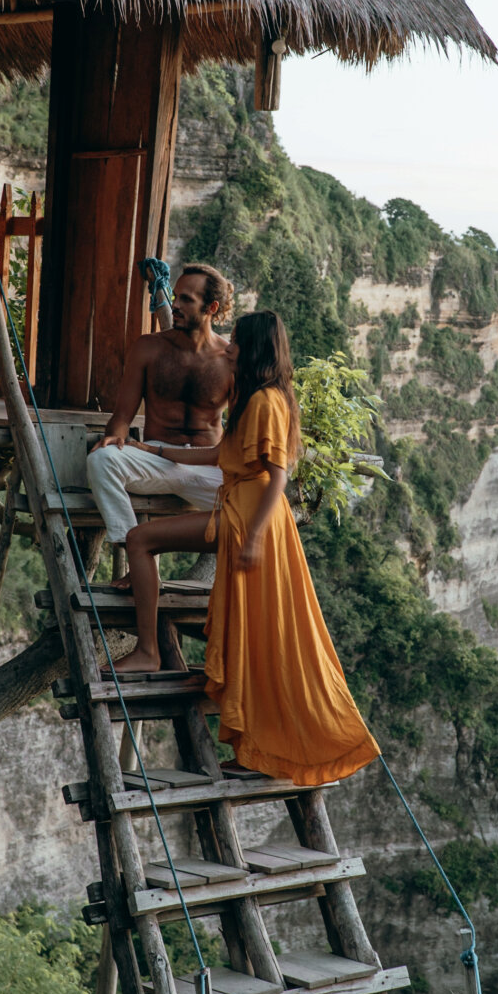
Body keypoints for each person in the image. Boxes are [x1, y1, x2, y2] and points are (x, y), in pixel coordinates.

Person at [117, 309, 380, 787]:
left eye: (236, 341)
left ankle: (147, 650)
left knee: (142, 541)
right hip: (242, 511)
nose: (229, 347)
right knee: (254, 633)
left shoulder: (264, 401)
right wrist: (155, 451)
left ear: (254, 348)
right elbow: (219, 455)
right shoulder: (257, 397)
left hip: (250, 518)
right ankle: (259, 750)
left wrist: (255, 537)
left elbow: (278, 474)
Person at [87, 264, 234, 573]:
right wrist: (116, 435)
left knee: (263, 498)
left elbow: (242, 428)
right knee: (101, 460)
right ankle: (135, 558)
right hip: (157, 459)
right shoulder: (149, 348)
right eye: (174, 296)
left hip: (208, 467)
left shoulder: (230, 359)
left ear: (211, 308)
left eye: (186, 299)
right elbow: (122, 417)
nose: (175, 305)